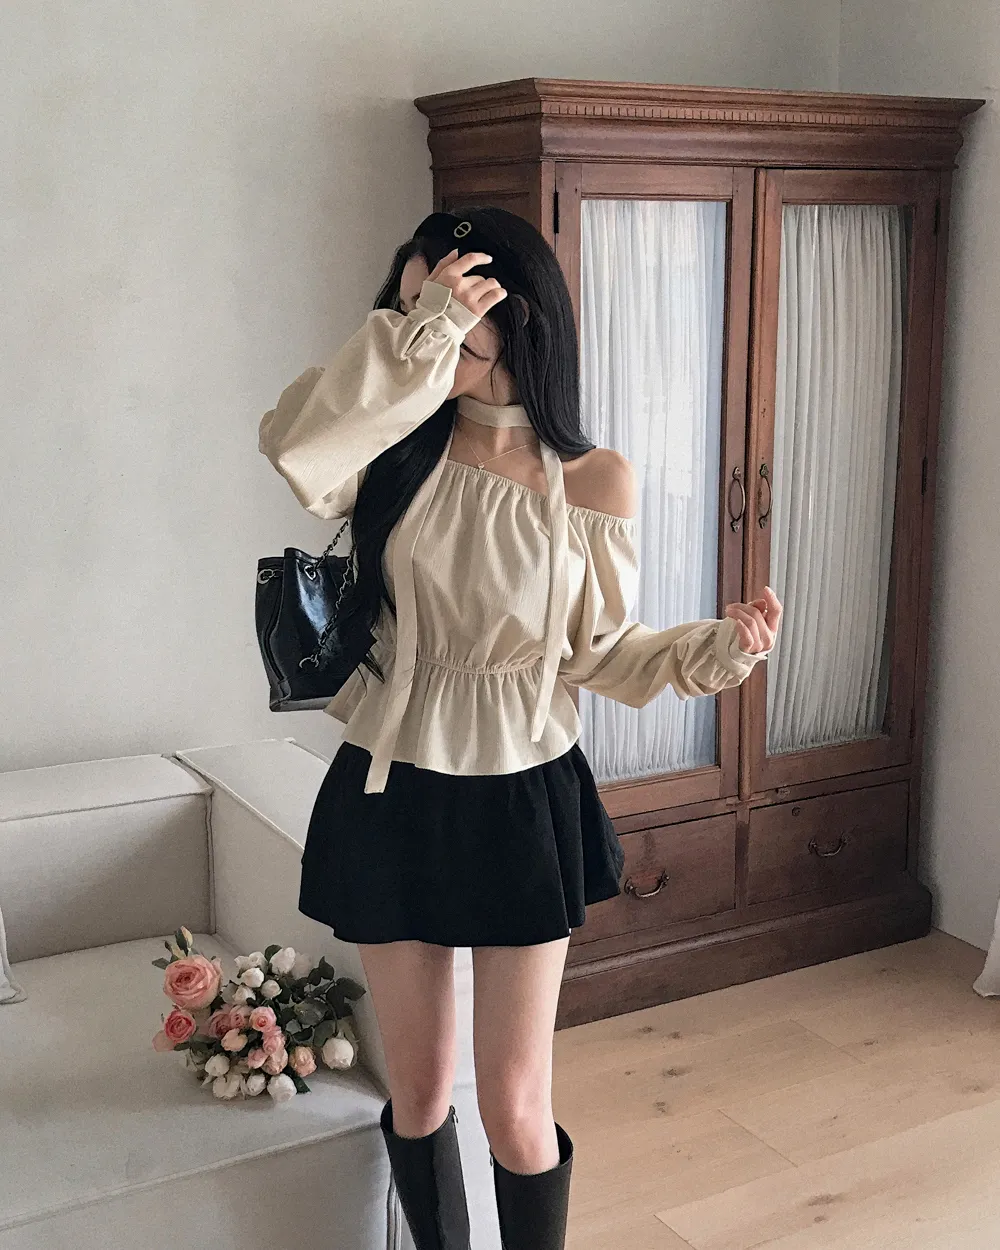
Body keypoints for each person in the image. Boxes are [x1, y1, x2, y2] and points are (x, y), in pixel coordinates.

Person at [258, 205, 782, 1250]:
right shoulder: (386, 451)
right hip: (390, 783)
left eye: (456, 302)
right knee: (417, 1090)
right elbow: (294, 447)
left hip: (521, 795)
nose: (434, 323)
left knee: (513, 1099)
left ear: (521, 313)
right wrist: (420, 340)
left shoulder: (593, 479)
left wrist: (714, 650)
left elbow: (599, 654)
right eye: (415, 305)